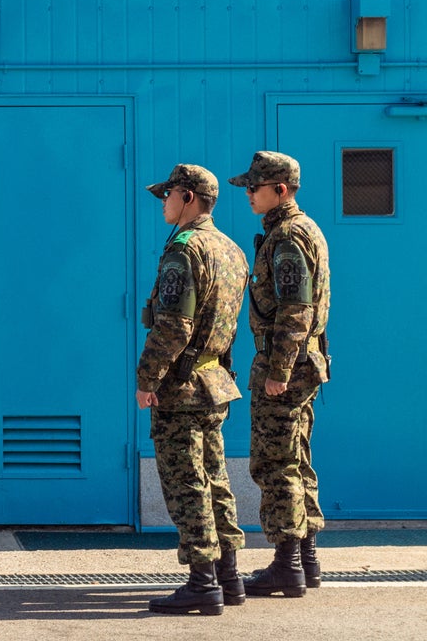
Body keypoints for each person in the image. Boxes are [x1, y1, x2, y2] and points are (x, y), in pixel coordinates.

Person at [137, 163, 250, 615]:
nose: (162, 202)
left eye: (167, 194)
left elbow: (172, 325)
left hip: (181, 387)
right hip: (214, 381)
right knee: (216, 479)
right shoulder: (231, 249)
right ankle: (229, 575)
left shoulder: (185, 249)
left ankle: (202, 584)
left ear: (186, 196)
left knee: (187, 484)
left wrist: (148, 380)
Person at [229, 150, 331, 599]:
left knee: (275, 464)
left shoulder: (288, 236)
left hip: (286, 367)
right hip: (303, 364)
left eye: (255, 187)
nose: (249, 194)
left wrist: (278, 370)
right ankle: (306, 560)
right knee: (295, 458)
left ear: (281, 190)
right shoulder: (298, 230)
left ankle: (286, 565)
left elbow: (296, 310)